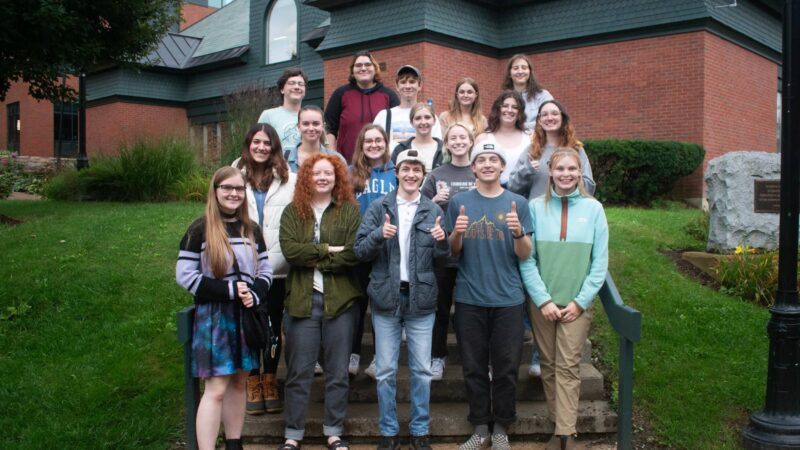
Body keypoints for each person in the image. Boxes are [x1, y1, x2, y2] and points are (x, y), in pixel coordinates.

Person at [355, 149, 449, 450]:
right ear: (397, 172)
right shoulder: (379, 207)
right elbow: (359, 250)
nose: (411, 175)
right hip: (386, 299)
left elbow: (443, 258)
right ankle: (388, 431)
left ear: (423, 175)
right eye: (406, 169)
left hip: (421, 299)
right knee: (384, 371)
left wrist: (442, 242)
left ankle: (420, 431)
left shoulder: (433, 210)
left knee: (422, 370)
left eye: (416, 170)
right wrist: (379, 234)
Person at [176, 166, 273, 450]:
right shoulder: (200, 229)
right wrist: (229, 290)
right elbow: (184, 275)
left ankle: (234, 443)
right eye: (227, 188)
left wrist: (255, 294)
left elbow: (265, 269)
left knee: (240, 384)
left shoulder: (252, 229)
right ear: (215, 191)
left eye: (239, 189)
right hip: (215, 319)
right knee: (216, 389)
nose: (233, 193)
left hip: (246, 317)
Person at [519, 147, 608, 450]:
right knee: (548, 364)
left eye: (572, 169)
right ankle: (559, 428)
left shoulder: (594, 209)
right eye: (560, 169)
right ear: (550, 172)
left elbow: (599, 264)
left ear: (580, 172)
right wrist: (543, 300)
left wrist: (580, 302)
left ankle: (565, 436)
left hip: (576, 304)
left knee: (569, 366)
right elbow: (527, 260)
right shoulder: (534, 207)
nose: (566, 174)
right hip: (542, 303)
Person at [446, 142, 533, 450]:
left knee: (507, 367)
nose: (486, 164)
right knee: (473, 366)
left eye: (492, 159)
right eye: (480, 160)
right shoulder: (459, 202)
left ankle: (501, 429)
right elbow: (454, 251)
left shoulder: (517, 203)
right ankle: (481, 428)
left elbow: (525, 254)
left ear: (501, 167)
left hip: (508, 299)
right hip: (470, 298)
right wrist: (456, 232)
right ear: (473, 167)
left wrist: (518, 232)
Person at [278, 153, 363, 450]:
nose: (323, 177)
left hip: (341, 302)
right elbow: (291, 252)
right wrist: (329, 250)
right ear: (306, 178)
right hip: (303, 302)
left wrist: (315, 257)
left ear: (337, 177)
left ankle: (334, 431)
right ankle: (293, 434)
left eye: (328, 173)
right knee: (299, 371)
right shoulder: (293, 212)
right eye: (316, 173)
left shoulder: (349, 212)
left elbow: (353, 254)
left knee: (338, 371)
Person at [231, 124, 296, 415]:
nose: (261, 147)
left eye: (266, 143)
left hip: (278, 267)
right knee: (249, 325)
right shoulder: (233, 176)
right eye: (256, 142)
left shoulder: (288, 178)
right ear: (249, 144)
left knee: (272, 325)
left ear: (274, 147)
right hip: (244, 266)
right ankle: (253, 380)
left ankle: (270, 380)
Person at [420, 123, 476, 380]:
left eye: (463, 137)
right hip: (442, 253)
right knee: (440, 308)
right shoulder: (436, 175)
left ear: (471, 140)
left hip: (475, 253)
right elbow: (419, 211)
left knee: (470, 311)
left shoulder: (479, 171)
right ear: (446, 143)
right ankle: (437, 357)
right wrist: (434, 201)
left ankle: (473, 360)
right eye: (453, 138)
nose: (458, 141)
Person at [349, 124, 397, 377]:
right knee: (357, 303)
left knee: (382, 303)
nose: (374, 145)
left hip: (386, 247)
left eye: (379, 140)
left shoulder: (396, 173)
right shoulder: (350, 173)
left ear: (386, 143)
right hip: (359, 246)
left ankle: (380, 356)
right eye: (368, 141)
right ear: (361, 144)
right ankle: (353, 353)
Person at [507, 99, 595, 201]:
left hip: (570, 211)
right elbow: (512, 187)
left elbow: (588, 187)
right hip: (538, 213)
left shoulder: (576, 149)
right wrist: (526, 170)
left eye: (554, 114)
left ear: (562, 117)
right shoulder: (531, 151)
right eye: (544, 115)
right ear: (539, 120)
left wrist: (568, 179)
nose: (549, 118)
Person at [325, 51, 400, 162]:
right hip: (347, 163)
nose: (363, 68)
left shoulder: (388, 95)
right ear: (352, 71)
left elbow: (397, 130)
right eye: (358, 65)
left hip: (380, 164)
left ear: (375, 69)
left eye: (368, 65)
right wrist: (332, 157)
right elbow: (329, 128)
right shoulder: (341, 94)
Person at [372, 65, 442, 151]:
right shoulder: (383, 116)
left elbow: (437, 148)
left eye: (412, 82)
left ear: (420, 85)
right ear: (397, 86)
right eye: (403, 82)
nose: (408, 86)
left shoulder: (430, 117)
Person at [476, 91, 530, 186]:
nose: (509, 110)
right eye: (505, 106)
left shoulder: (530, 137)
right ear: (498, 109)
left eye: (515, 107)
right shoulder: (483, 138)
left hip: (524, 193)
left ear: (520, 112)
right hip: (491, 192)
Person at [286, 105, 346, 173]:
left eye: (316, 124)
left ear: (323, 126)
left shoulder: (337, 160)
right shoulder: (285, 160)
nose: (311, 128)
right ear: (298, 126)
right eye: (306, 124)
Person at [258, 68, 307, 150]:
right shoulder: (268, 115)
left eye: (301, 84)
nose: (297, 87)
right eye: (291, 83)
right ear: (282, 90)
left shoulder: (311, 117)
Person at [502, 54, 553, 131]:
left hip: (538, 139)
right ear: (510, 73)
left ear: (530, 72)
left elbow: (549, 119)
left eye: (524, 68)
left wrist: (518, 126)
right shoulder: (503, 98)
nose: (520, 71)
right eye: (515, 68)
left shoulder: (543, 96)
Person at [390, 103, 444, 172]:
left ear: (434, 121)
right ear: (411, 123)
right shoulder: (400, 149)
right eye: (418, 118)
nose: (423, 122)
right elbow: (394, 177)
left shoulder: (444, 149)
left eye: (427, 117)